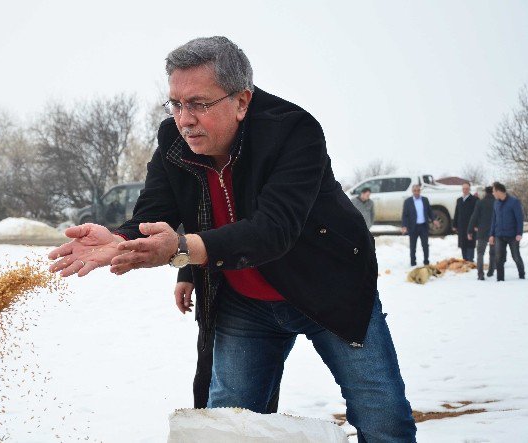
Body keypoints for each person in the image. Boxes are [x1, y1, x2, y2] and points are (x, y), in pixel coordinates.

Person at [48, 36, 416, 441]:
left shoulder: (293, 131)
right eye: (175, 103)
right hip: (245, 303)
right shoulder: (173, 139)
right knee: (226, 425)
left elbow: (274, 229)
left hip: (327, 289)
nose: (184, 119)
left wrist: (184, 251)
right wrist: (118, 237)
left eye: (198, 104)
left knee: (383, 418)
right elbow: (155, 214)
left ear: (241, 102)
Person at [489, 181, 525, 281]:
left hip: (512, 235)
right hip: (499, 235)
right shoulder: (496, 203)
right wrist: (491, 235)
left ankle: (521, 274)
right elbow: (494, 220)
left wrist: (519, 233)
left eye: (493, 191)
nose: (492, 193)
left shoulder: (514, 202)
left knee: (516, 257)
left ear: (498, 191)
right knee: (498, 257)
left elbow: (519, 219)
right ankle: (500, 279)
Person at [401, 184, 440, 266]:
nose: (416, 192)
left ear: (420, 191)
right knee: (413, 246)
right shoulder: (408, 202)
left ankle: (426, 261)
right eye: (415, 190)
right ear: (412, 191)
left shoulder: (425, 200)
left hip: (423, 226)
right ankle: (413, 262)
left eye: (418, 190)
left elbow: (430, 212)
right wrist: (404, 226)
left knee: (425, 245)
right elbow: (405, 215)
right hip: (413, 227)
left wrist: (434, 220)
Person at [468, 186, 497, 280]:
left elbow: (474, 217)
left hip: (482, 231)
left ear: (485, 193)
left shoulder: (480, 202)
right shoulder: (497, 202)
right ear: (493, 192)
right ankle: (491, 271)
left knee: (480, 253)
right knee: (492, 252)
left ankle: (480, 274)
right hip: (494, 232)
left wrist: (470, 230)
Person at [452, 181, 478, 262]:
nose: (465, 190)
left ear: (469, 189)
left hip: (471, 225)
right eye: (463, 188)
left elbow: (477, 214)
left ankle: (470, 260)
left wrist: (476, 225)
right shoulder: (459, 200)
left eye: (467, 188)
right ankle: (464, 259)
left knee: (470, 242)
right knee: (463, 243)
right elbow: (457, 213)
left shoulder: (474, 199)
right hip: (461, 225)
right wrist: (454, 225)